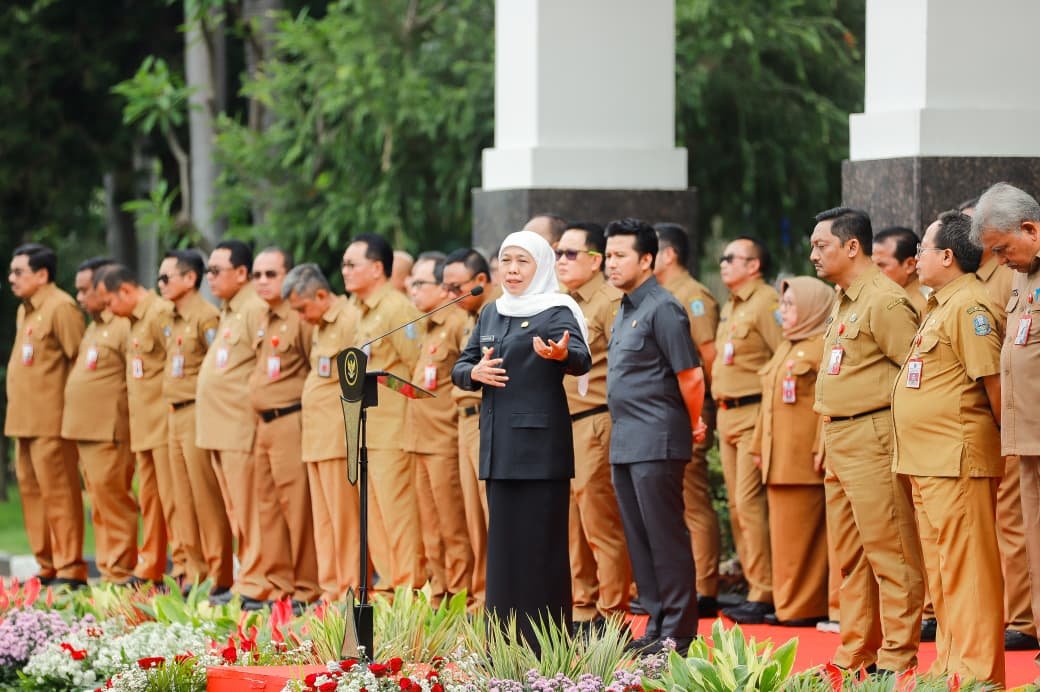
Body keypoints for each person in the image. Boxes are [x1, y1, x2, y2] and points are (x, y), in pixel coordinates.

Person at [452, 230, 591, 651]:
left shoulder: (557, 309)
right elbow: (462, 365)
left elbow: (582, 356)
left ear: (541, 266)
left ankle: (546, 646)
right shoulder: (492, 312)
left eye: (522, 261)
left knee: (540, 551)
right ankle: (504, 646)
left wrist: (560, 355)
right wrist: (473, 374)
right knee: (505, 553)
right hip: (497, 449)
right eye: (506, 260)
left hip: (539, 451)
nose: (511, 269)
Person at [810, 207, 924, 673]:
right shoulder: (845, 298)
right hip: (840, 434)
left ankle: (898, 658)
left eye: (822, 245)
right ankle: (856, 653)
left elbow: (916, 374)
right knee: (852, 558)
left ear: (852, 246)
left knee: (891, 551)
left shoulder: (885, 301)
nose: (813, 254)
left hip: (873, 434)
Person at [892, 211, 1005, 686]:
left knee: (970, 572)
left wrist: (1008, 447)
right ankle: (950, 667)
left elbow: (994, 385)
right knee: (944, 574)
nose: (915, 256)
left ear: (947, 255)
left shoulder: (969, 306)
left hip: (956, 458)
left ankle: (978, 674)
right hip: (929, 460)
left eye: (923, 248)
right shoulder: (941, 304)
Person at [603, 217, 706, 655]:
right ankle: (656, 623)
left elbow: (691, 375)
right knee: (640, 539)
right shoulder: (626, 307)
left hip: (657, 438)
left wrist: (696, 422)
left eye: (620, 255)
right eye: (607, 255)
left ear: (647, 260)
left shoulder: (663, 306)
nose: (611, 263)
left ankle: (678, 632)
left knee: (665, 536)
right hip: (627, 439)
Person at [965, 198, 1038, 652]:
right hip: (1027, 439)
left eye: (1002, 247)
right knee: (1034, 547)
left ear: (1030, 228)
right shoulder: (1021, 276)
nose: (999, 259)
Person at [555, 221, 632, 628]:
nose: (561, 261)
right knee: (570, 520)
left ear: (595, 259)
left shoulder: (610, 301)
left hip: (595, 419)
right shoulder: (565, 301)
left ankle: (613, 608)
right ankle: (583, 604)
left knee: (600, 520)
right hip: (564, 422)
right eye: (557, 254)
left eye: (570, 253)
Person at [343, 233, 424, 591]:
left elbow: (418, 366)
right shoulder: (362, 311)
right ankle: (390, 586)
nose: (344, 271)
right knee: (374, 516)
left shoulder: (396, 308)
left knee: (398, 514)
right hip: (369, 428)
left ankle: (410, 589)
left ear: (377, 268)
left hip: (394, 429)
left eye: (351, 264)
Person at [750, 277, 833, 627]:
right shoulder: (786, 346)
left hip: (802, 457)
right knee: (785, 539)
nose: (782, 312)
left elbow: (828, 402)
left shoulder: (821, 347)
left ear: (814, 307)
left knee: (804, 540)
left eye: (790, 305)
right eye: (782, 305)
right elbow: (767, 404)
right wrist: (758, 446)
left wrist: (821, 445)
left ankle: (802, 607)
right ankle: (789, 604)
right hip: (778, 456)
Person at [5, 243, 87, 587]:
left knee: (60, 493)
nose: (11, 279)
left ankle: (70, 567)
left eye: (18, 272)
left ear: (42, 274)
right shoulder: (26, 310)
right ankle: (47, 564)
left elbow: (78, 362)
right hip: (23, 420)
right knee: (32, 492)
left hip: (52, 422)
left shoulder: (61, 307)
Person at [285, 263, 365, 601]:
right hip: (316, 438)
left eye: (303, 308)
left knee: (344, 523)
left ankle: (349, 590)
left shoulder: (349, 319)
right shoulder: (320, 324)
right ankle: (330, 590)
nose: (301, 317)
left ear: (321, 295)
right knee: (325, 523)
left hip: (337, 436)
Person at [654, 222, 722, 616]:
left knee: (693, 500)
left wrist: (704, 411)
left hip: (690, 407)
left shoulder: (692, 296)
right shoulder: (662, 296)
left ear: (668, 255)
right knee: (673, 501)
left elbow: (707, 357)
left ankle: (704, 586)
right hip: (666, 410)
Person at [712, 235, 781, 624]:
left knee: (749, 504)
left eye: (731, 258)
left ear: (753, 265)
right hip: (727, 413)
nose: (723, 264)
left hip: (754, 411)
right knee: (738, 507)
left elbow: (781, 357)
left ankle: (765, 590)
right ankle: (756, 584)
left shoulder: (766, 302)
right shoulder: (733, 304)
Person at [98, 264, 181, 585]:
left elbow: (177, 363)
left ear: (127, 291)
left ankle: (184, 567)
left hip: (164, 422)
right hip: (144, 426)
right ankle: (152, 564)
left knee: (173, 501)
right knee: (151, 499)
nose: (108, 310)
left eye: (109, 302)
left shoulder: (160, 314)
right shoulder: (133, 320)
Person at [247, 247, 320, 607]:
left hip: (291, 419)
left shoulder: (301, 316)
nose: (261, 281)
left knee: (298, 507)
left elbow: (313, 367)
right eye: (257, 275)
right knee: (268, 507)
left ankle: (308, 588)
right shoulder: (263, 317)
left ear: (288, 275)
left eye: (270, 274)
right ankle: (279, 588)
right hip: (263, 424)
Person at [197, 239, 267, 606]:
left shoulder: (255, 307)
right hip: (218, 428)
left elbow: (263, 364)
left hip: (241, 426)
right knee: (234, 509)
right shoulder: (228, 310)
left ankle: (255, 582)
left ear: (241, 273)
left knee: (249, 508)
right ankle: (246, 577)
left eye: (215, 270)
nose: (208, 277)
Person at [401, 255, 472, 605]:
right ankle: (438, 594)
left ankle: (462, 595)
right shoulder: (424, 326)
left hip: (444, 437)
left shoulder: (459, 323)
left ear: (443, 288)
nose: (413, 291)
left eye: (419, 284)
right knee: (430, 527)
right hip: (418, 437)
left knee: (452, 525)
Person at [61, 257, 136, 584]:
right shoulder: (94, 326)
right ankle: (109, 568)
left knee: (114, 501)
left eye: (85, 289)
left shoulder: (121, 325)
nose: (79, 296)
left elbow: (134, 377)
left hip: (109, 431)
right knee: (99, 506)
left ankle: (120, 572)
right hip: (86, 431)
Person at [159, 249, 229, 594]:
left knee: (205, 494)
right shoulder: (172, 318)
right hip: (173, 412)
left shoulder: (207, 317)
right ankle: (193, 570)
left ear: (190, 279)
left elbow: (216, 367)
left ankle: (219, 572)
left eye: (166, 277)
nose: (160, 284)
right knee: (180, 496)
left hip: (197, 411)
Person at [444, 247, 499, 608]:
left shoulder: (497, 314)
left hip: (488, 417)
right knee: (473, 516)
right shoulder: (470, 318)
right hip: (464, 422)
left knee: (492, 509)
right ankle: (481, 592)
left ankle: (497, 590)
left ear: (480, 281)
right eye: (446, 288)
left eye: (456, 287)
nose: (451, 296)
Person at [872, 226, 929, 316]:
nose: (874, 272)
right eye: (872, 265)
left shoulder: (917, 306)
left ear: (910, 265)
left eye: (881, 265)